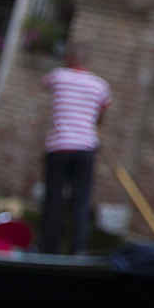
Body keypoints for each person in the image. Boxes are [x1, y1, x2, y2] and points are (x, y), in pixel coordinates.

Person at [40, 44, 112, 255]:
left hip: (59, 146)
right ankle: (78, 250)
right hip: (85, 148)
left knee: (53, 198)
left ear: (70, 58)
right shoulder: (100, 86)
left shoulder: (58, 76)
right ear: (87, 61)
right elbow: (101, 115)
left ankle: (48, 248)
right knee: (81, 201)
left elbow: (44, 84)